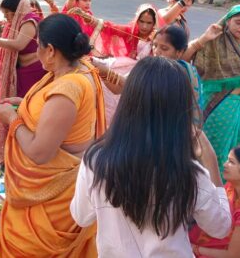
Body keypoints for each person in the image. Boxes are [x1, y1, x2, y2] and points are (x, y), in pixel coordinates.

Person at [71, 57, 231, 256]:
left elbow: (81, 217)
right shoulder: (188, 171)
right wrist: (211, 162)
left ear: (128, 101)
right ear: (180, 111)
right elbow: (220, 227)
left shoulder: (96, 161)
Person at [0, 14, 106, 257]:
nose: (37, 51)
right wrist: (26, 104)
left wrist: (11, 119)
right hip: (57, 191)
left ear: (51, 50)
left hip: (52, 198)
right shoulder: (79, 70)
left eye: (39, 46)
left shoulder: (68, 88)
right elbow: (54, 114)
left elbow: (39, 152)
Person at [184, 5, 240, 177]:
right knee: (216, 146)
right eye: (238, 22)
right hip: (219, 103)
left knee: (239, 148)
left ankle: (232, 185)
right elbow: (184, 58)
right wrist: (203, 39)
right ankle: (210, 182)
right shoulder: (213, 40)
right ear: (228, 21)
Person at [0, 0, 45, 163]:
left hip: (34, 71)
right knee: (18, 107)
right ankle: (17, 146)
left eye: (7, 12)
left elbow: (18, 45)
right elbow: (4, 48)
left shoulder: (29, 21)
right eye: (4, 13)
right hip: (20, 71)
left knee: (28, 108)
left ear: (17, 9)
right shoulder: (13, 24)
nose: (5, 16)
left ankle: (30, 145)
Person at [93, 24, 203, 126]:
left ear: (179, 52)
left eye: (164, 48)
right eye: (154, 45)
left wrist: (106, 72)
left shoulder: (183, 75)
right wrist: (101, 72)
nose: (157, 51)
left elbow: (134, 86)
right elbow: (117, 88)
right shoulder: (147, 66)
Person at [190, 145, 240, 258]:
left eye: (231, 162)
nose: (225, 164)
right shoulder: (231, 189)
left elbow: (233, 255)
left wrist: (195, 249)